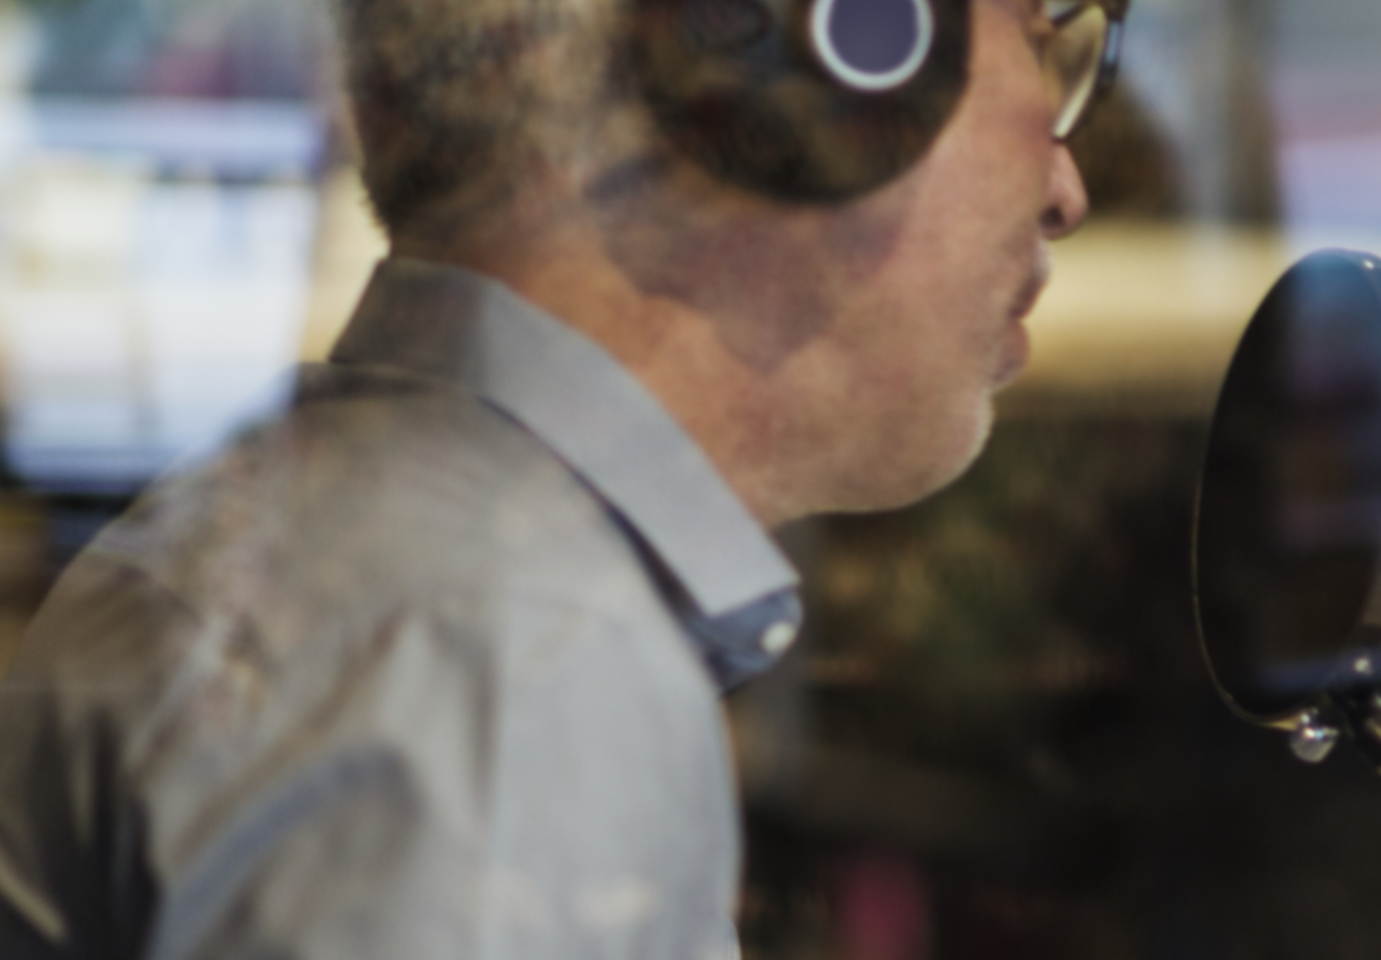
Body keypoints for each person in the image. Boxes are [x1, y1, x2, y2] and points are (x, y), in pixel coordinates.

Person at [0, 0, 1112, 955]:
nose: (1069, 186)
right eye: (1042, 37)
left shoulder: (391, 574)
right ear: (812, 56)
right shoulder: (498, 664)